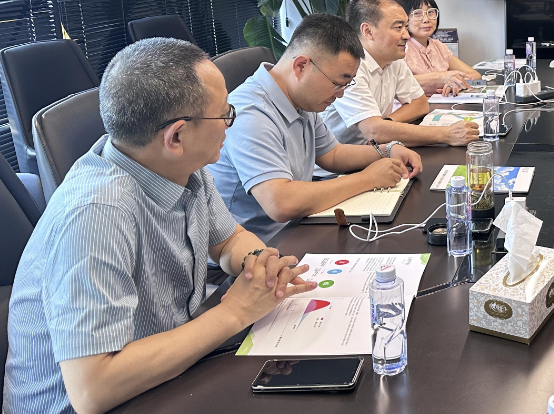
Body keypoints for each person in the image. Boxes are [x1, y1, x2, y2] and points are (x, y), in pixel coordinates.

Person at [4, 39, 318, 414]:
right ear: (177, 136)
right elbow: (93, 389)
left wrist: (260, 263)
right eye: (224, 114)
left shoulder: (178, 165)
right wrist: (235, 311)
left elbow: (228, 240)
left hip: (166, 375)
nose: (229, 123)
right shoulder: (96, 213)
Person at [207, 13, 423, 243]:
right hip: (259, 247)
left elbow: (334, 154)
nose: (340, 94)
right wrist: (368, 179)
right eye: (338, 83)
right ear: (301, 66)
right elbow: (281, 202)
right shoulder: (250, 112)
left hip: (298, 228)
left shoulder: (301, 100)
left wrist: (387, 150)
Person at [321, 0, 480, 147]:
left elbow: (420, 103)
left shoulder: (393, 59)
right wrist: (446, 134)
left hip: (378, 149)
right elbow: (373, 131)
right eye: (398, 27)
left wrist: (386, 123)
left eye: (405, 27)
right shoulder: (349, 67)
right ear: (368, 31)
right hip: (342, 160)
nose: (406, 35)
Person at [399, 0, 482, 96]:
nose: (426, 19)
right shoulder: (400, 47)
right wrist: (441, 76)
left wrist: (456, 84)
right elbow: (399, 83)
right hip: (412, 105)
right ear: (404, 19)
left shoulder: (438, 46)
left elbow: (474, 75)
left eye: (430, 12)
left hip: (442, 103)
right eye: (417, 14)